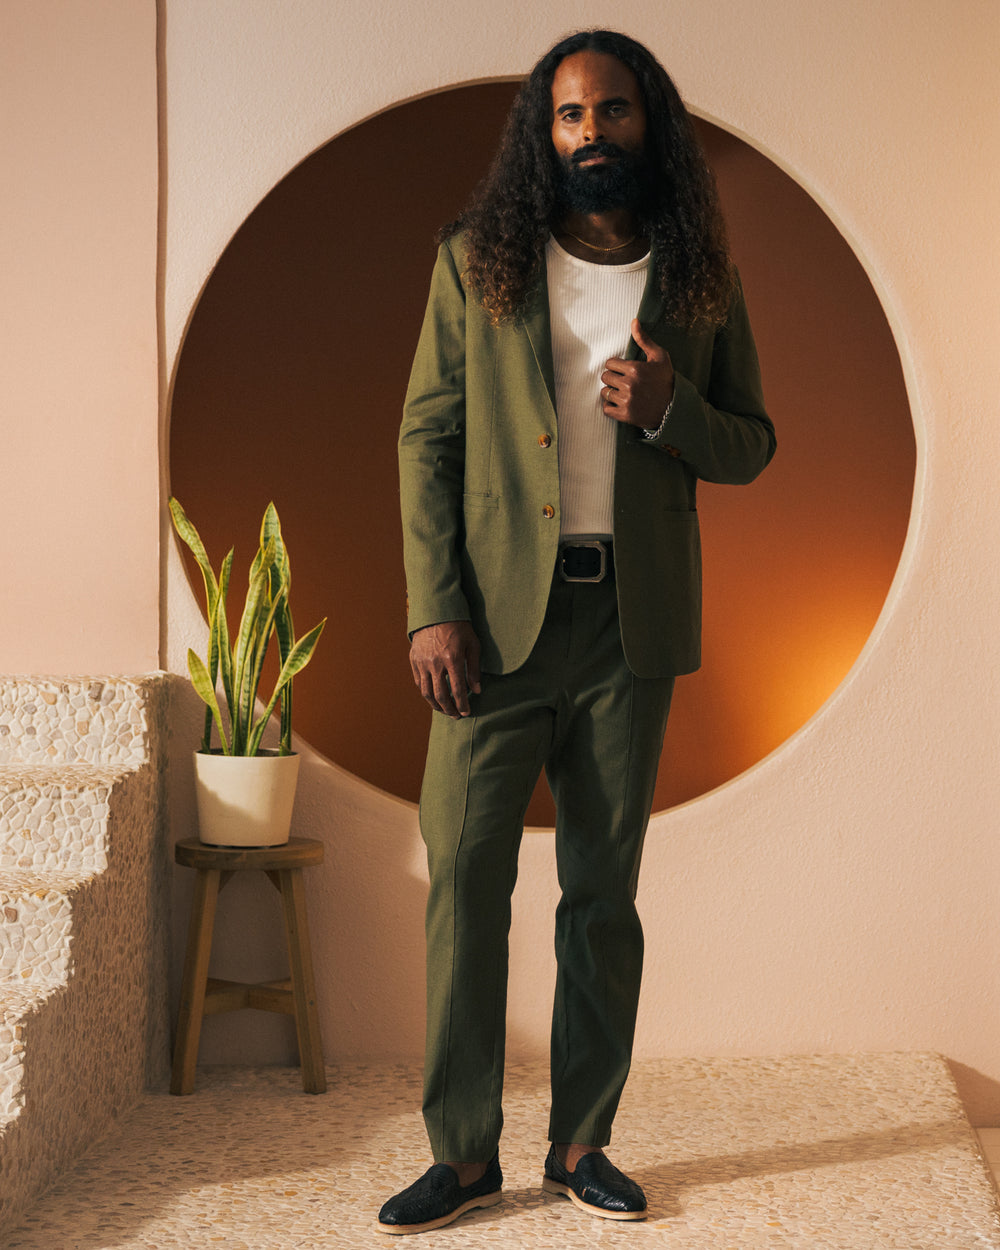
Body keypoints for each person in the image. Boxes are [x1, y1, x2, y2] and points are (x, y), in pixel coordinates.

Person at [377, 28, 776, 1235]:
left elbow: (751, 440)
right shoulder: (477, 262)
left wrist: (672, 412)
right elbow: (427, 440)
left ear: (647, 119)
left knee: (602, 894)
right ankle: (461, 1154)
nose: (589, 131)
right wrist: (433, 603)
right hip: (492, 626)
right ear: (541, 135)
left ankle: (583, 1142)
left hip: (627, 624)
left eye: (610, 109)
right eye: (566, 115)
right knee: (465, 880)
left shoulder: (697, 277)